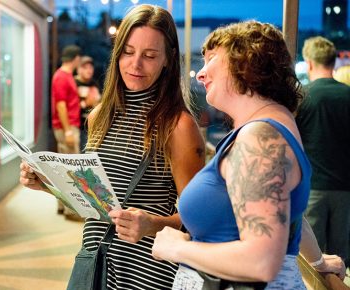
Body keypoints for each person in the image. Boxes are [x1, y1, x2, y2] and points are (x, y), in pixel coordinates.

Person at [20, 4, 205, 289]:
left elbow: (199, 219)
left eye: (150, 55)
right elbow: (93, 201)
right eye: (128, 52)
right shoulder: (99, 116)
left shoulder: (178, 126)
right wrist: (47, 183)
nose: (135, 65)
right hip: (97, 263)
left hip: (147, 274)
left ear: (168, 60)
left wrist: (152, 224)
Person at [152, 21, 346, 289]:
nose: (201, 74)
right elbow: (284, 214)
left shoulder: (258, 139)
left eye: (211, 60)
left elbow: (262, 261)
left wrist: (177, 248)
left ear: (246, 61)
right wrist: (318, 262)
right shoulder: (268, 130)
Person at [296, 36, 350, 268]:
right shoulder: (348, 95)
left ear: (309, 63)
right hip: (345, 189)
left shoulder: (303, 97)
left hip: (313, 188)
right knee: (340, 261)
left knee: (313, 259)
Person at [51, 44, 83, 221]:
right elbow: (61, 105)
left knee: (65, 169)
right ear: (76, 58)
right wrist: (68, 131)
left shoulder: (65, 75)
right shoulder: (62, 76)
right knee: (71, 170)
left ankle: (63, 206)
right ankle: (71, 209)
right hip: (67, 128)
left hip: (68, 127)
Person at [74, 55, 101, 150]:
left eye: (90, 67)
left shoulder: (94, 83)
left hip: (93, 126)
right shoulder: (74, 83)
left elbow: (98, 103)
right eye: (85, 67)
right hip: (78, 126)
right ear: (78, 69)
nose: (89, 70)